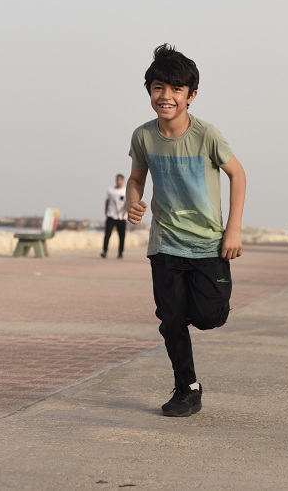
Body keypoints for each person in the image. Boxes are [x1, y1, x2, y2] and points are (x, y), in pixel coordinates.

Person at [126, 44, 246, 418]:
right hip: (165, 243)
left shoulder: (207, 135)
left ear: (191, 95)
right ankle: (187, 388)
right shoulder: (143, 136)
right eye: (159, 88)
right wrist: (133, 201)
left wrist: (233, 230)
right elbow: (136, 178)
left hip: (209, 244)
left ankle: (209, 305)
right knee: (171, 320)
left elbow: (238, 175)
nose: (166, 96)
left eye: (176, 89)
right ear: (149, 91)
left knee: (208, 316)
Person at [101, 174, 128, 258]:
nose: (118, 181)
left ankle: (120, 252)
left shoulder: (125, 190)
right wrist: (106, 211)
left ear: (122, 180)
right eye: (117, 179)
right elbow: (107, 200)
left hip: (121, 217)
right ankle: (104, 251)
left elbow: (127, 202)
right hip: (111, 215)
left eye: (120, 179)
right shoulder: (110, 190)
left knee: (122, 236)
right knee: (107, 234)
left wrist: (124, 212)